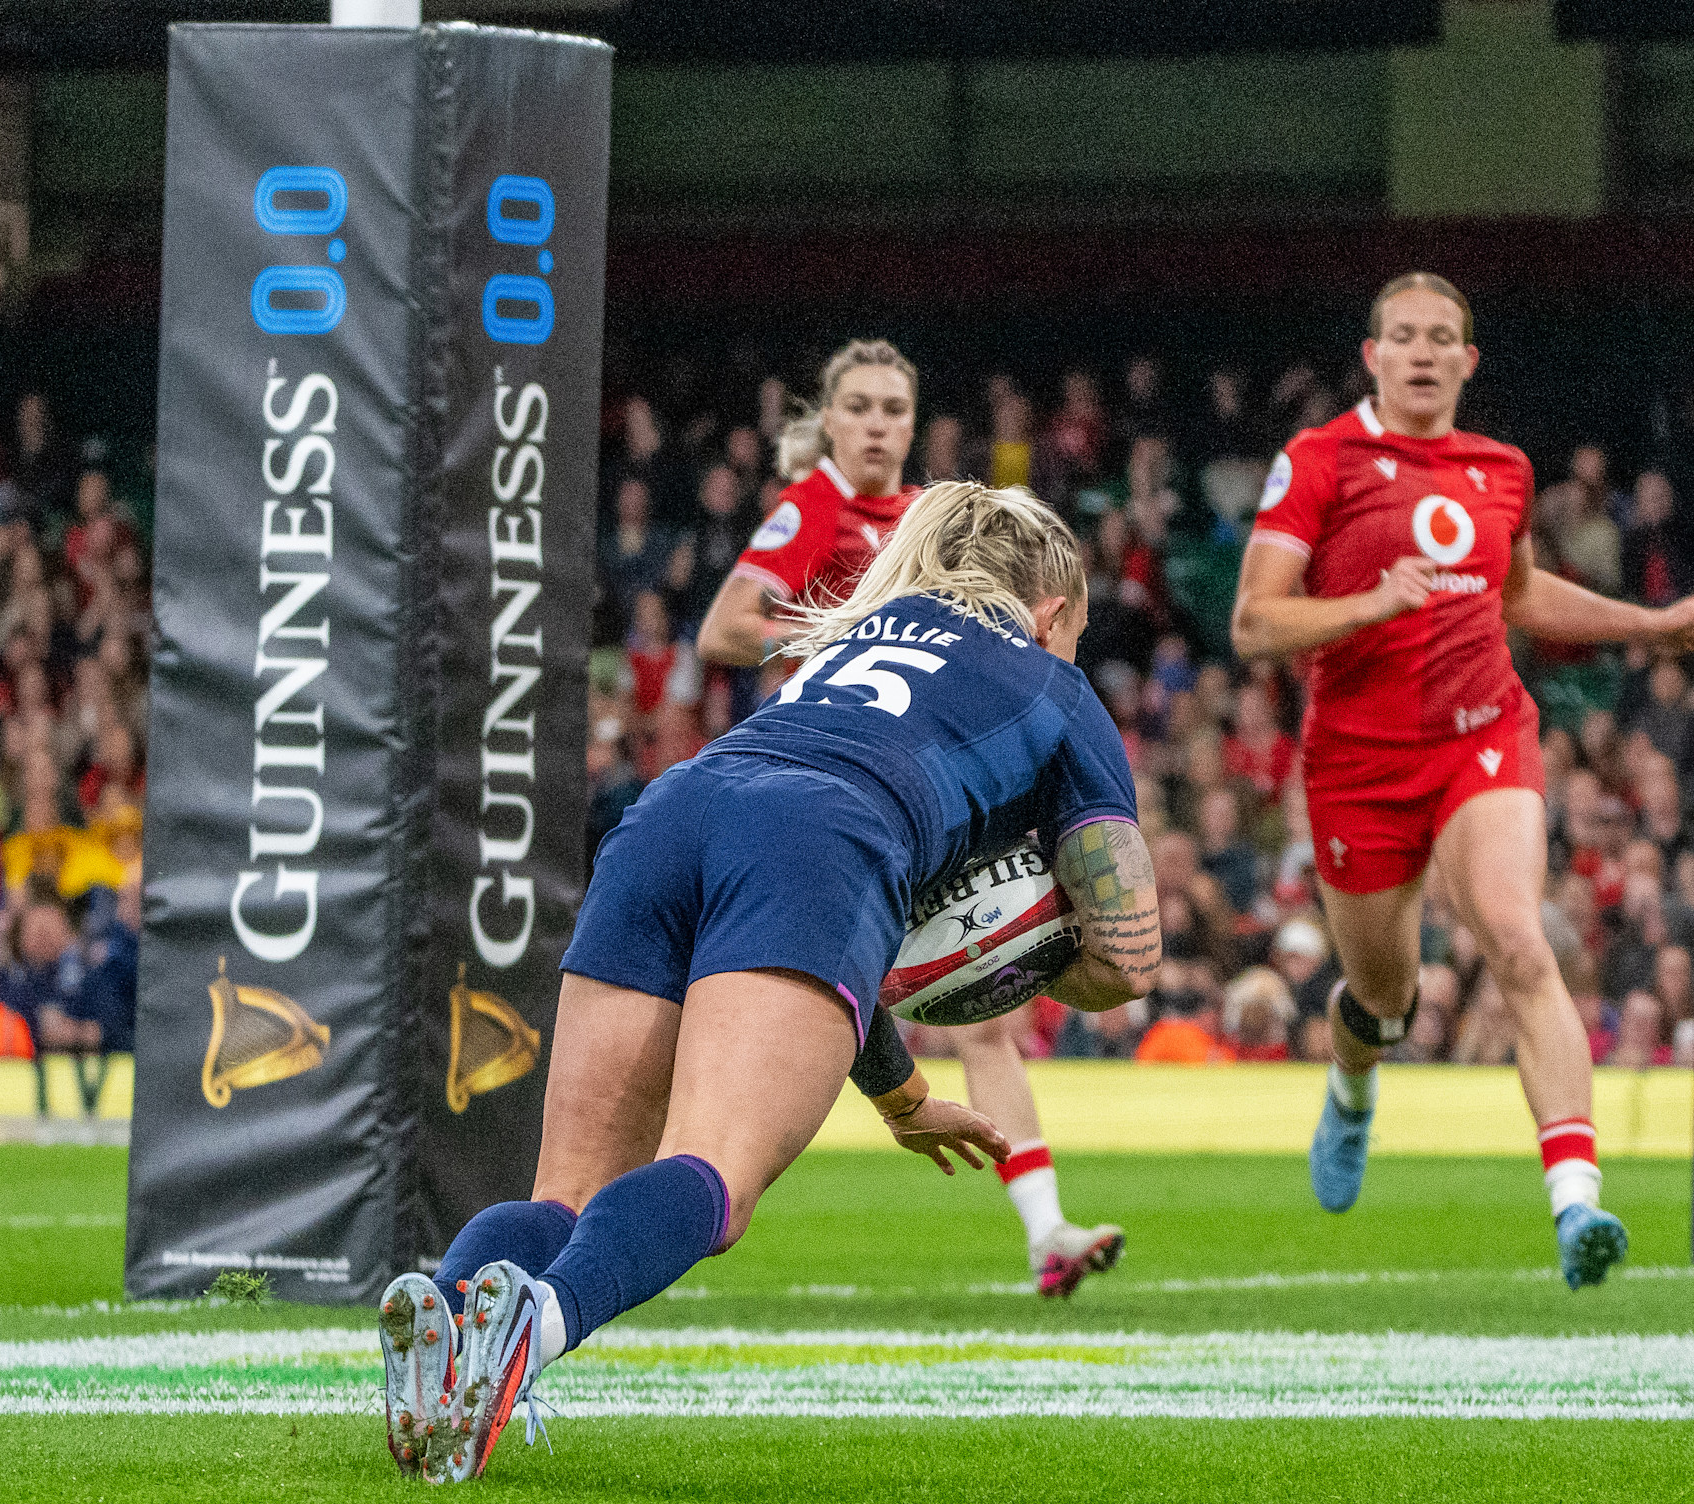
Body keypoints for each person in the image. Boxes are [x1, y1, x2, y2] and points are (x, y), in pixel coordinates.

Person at [381, 482, 1159, 1483]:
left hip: (674, 814)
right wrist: (1019, 952)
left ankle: (450, 1315)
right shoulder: (1055, 689)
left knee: (568, 1193)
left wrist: (904, 1095)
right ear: (1051, 610)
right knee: (715, 1177)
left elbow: (845, 939)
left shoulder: (848, 644)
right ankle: (532, 1329)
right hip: (821, 839)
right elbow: (1125, 953)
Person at [1229, 271, 1694, 1289]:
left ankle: (1576, 1201)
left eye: (1439, 337)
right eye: (1400, 336)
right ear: (1371, 357)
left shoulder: (1498, 468)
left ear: (1466, 360)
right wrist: (1365, 605)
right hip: (1358, 765)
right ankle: (1353, 1085)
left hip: (1481, 735)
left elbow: (1521, 595)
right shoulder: (1317, 461)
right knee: (1383, 996)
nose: (1419, 351)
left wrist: (1645, 624)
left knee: (1515, 934)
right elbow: (1252, 624)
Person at [693, 339, 1128, 1297]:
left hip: (910, 790)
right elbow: (725, 629)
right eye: (862, 408)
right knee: (783, 1007)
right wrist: (851, 636)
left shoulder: (940, 523)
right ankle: (677, 1187)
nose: (881, 424)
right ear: (830, 423)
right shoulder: (814, 510)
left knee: (987, 1011)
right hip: (821, 786)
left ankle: (1045, 1226)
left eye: (897, 407)